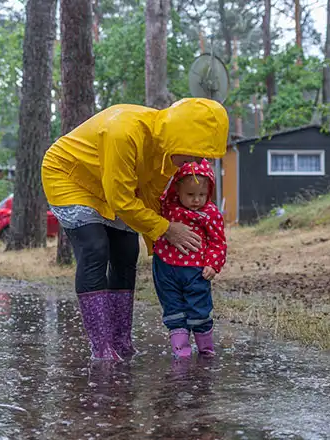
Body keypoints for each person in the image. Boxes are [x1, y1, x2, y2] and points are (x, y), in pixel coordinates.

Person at [41, 98, 230, 361]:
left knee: (127, 252)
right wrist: (165, 229)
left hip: (113, 185)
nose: (195, 161)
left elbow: (151, 195)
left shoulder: (167, 151)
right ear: (180, 139)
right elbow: (121, 200)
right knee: (96, 249)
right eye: (195, 153)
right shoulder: (124, 133)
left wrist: (160, 245)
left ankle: (121, 340)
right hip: (70, 177)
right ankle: (102, 347)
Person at [152, 159, 226, 359]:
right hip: (165, 269)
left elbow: (217, 242)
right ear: (177, 190)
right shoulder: (168, 206)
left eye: (202, 195)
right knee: (173, 310)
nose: (196, 200)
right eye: (190, 195)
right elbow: (154, 199)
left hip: (196, 272)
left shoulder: (210, 213)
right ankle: (180, 352)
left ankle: (206, 350)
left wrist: (213, 263)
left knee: (199, 309)